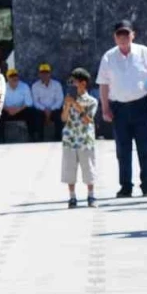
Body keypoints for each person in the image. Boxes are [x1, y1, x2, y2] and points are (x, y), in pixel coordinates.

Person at [96, 20, 147, 198]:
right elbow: (103, 84)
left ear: (133, 35)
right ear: (114, 37)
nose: (123, 38)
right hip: (119, 108)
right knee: (122, 150)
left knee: (145, 148)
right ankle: (125, 186)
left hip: (142, 105)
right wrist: (105, 108)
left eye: (126, 34)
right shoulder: (108, 57)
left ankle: (146, 185)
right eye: (119, 35)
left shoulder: (144, 52)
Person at [61, 68, 99, 208]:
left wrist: (76, 105)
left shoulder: (92, 101)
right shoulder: (69, 98)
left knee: (88, 168)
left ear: (83, 83)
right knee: (69, 169)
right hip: (70, 138)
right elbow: (64, 118)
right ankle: (72, 197)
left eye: (75, 82)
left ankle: (91, 196)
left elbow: (88, 120)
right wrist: (67, 105)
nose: (73, 85)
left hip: (85, 140)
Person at [0, 69, 38, 142]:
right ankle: (0, 138)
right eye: (11, 76)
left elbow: (29, 102)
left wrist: (18, 109)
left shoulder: (24, 86)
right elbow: (0, 102)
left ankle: (32, 136)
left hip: (20, 110)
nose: (14, 78)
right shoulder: (2, 87)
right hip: (8, 111)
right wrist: (7, 109)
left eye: (15, 76)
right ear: (7, 78)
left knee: (32, 112)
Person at [31, 64, 65, 141]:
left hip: (54, 109)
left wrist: (51, 109)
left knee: (59, 116)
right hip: (41, 110)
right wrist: (45, 109)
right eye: (42, 73)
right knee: (37, 116)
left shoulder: (57, 85)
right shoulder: (35, 86)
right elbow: (35, 101)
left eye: (46, 73)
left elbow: (60, 100)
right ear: (39, 74)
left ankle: (58, 138)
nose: (44, 75)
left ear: (50, 74)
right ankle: (39, 139)